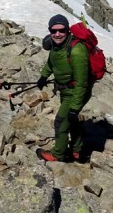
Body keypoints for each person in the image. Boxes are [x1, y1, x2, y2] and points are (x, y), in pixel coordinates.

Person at [35, 14, 92, 163]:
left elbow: (82, 83)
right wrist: (43, 76)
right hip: (65, 90)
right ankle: (77, 151)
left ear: (67, 31)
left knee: (61, 122)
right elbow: (51, 62)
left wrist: (74, 107)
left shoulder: (77, 51)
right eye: (53, 31)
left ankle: (58, 154)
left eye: (61, 30)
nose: (57, 34)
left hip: (75, 93)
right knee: (71, 121)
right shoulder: (56, 46)